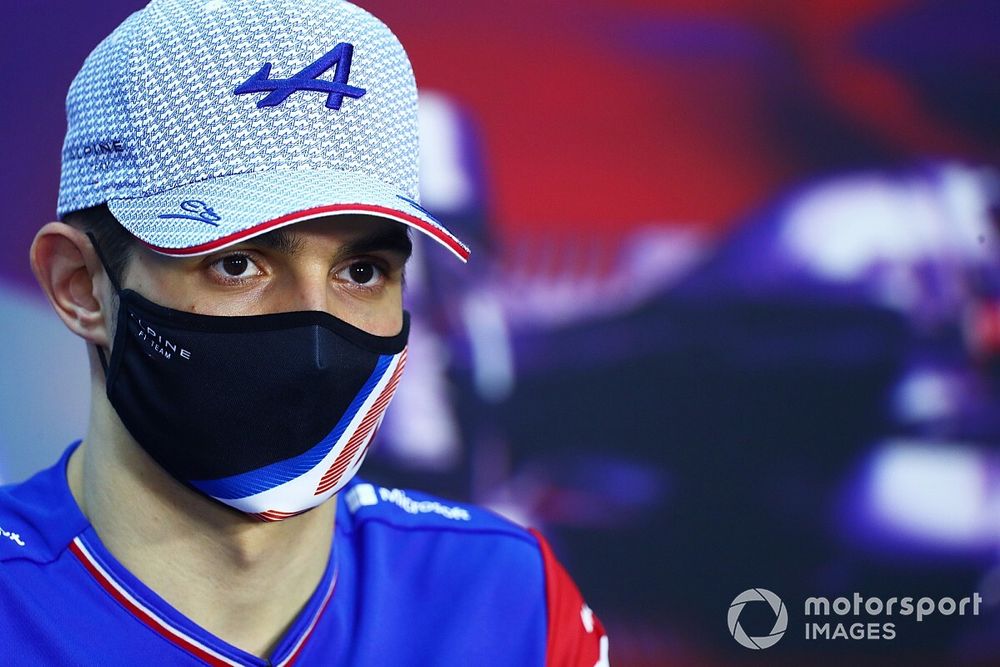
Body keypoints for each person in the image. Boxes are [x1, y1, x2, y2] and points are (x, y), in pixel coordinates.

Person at [0, 0, 609, 664]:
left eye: (362, 269)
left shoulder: (510, 599)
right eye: (237, 264)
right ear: (80, 285)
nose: (317, 338)